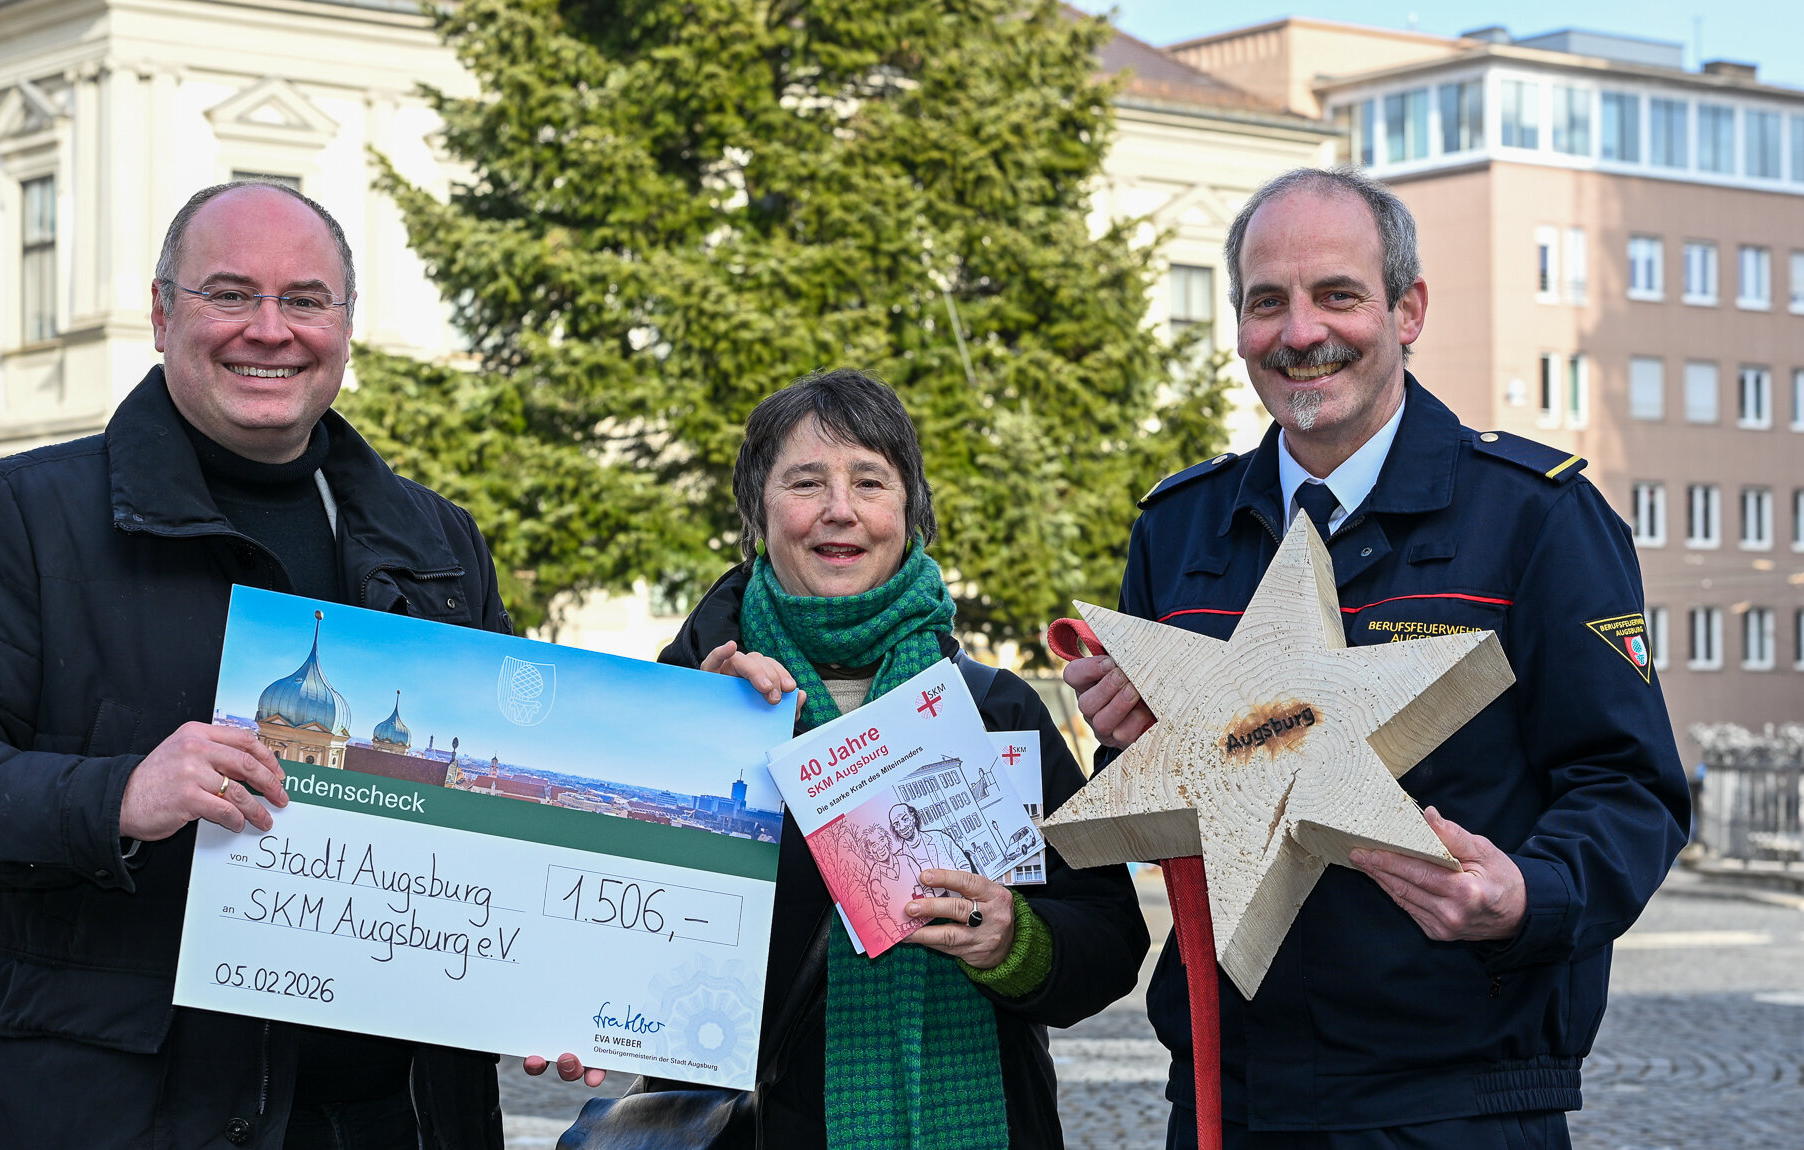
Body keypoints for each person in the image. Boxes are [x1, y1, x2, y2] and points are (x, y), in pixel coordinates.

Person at [0, 181, 518, 1148]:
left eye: (306, 300)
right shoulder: (29, 517)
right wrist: (119, 794)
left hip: (397, 1118)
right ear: (163, 314)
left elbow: (495, 828)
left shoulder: (436, 537)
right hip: (129, 1112)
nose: (271, 330)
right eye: (230, 294)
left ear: (346, 326)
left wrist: (546, 986)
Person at [1062, 167, 1690, 1149]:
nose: (1300, 331)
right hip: (1232, 1101)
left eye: (1337, 294)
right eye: (1266, 301)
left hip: (1458, 1105)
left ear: (1408, 310)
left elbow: (1629, 787)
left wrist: (1529, 895)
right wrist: (1141, 745)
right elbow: (1160, 814)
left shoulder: (1539, 518)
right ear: (1237, 325)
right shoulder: (1180, 529)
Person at [659, 368, 1149, 1148]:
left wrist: (1013, 941)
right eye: (805, 481)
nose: (839, 511)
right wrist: (697, 722)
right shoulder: (687, 704)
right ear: (758, 512)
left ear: (910, 512)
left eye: (869, 482)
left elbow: (1110, 938)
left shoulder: (996, 711)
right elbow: (624, 937)